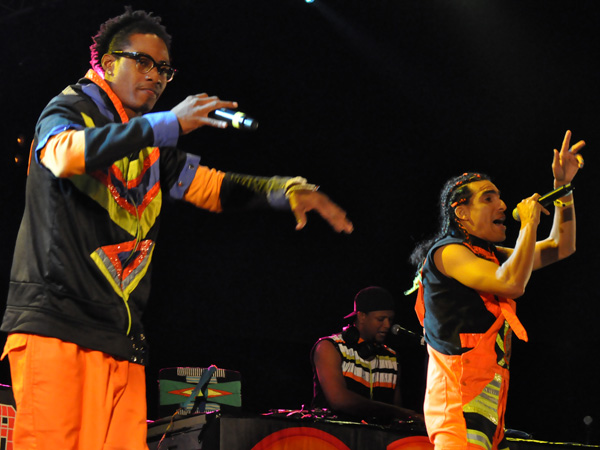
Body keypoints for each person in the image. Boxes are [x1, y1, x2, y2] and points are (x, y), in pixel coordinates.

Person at [0, 8, 353, 450]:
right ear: (108, 63)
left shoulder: (147, 142)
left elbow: (210, 187)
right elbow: (64, 155)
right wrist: (168, 123)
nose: (156, 76)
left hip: (120, 342)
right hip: (58, 328)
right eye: (143, 62)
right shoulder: (72, 106)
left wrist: (283, 190)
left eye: (164, 69)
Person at [407, 130, 585, 450]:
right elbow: (511, 284)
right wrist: (528, 224)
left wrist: (563, 188)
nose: (502, 205)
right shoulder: (449, 253)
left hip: (487, 404)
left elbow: (562, 246)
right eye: (488, 198)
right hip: (459, 404)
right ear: (461, 212)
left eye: (499, 197)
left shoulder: (488, 256)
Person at [311, 286, 423, 423]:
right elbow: (338, 400)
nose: (387, 325)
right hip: (332, 433)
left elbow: (396, 415)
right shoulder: (329, 348)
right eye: (381, 319)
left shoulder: (392, 358)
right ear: (362, 316)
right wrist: (398, 412)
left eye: (390, 319)